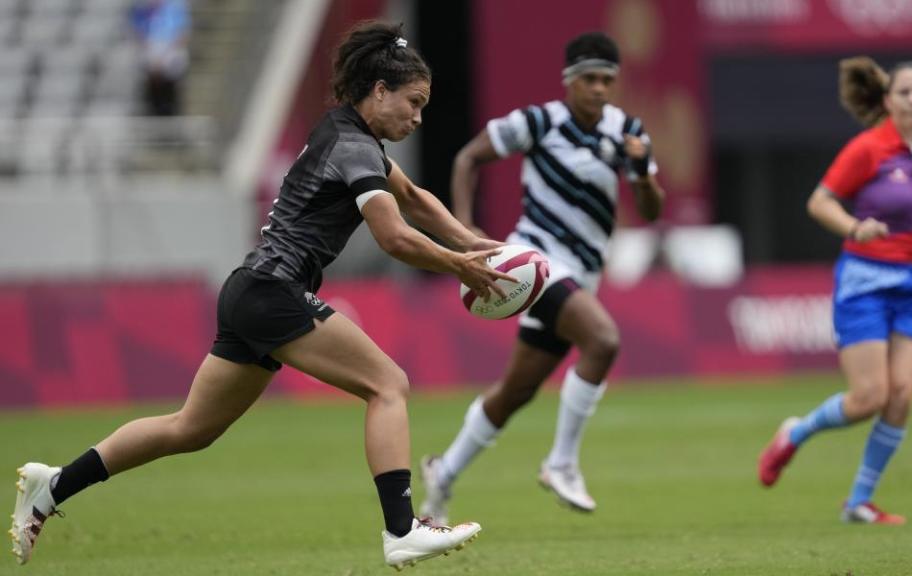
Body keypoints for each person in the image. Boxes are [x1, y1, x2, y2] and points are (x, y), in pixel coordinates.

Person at [10, 21, 511, 569]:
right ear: (379, 90)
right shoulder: (354, 147)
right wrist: (457, 265)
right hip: (274, 291)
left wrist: (472, 241)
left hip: (251, 292)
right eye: (412, 103)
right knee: (388, 384)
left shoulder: (348, 136)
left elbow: (413, 198)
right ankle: (401, 530)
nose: (418, 117)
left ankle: (54, 485)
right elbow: (393, 236)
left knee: (190, 428)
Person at [419, 32, 665, 524]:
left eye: (607, 80)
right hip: (539, 261)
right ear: (569, 81)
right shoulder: (539, 121)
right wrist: (466, 227)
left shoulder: (627, 130)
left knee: (516, 392)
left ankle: (442, 476)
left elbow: (651, 209)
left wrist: (640, 172)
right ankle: (562, 463)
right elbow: (469, 156)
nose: (598, 89)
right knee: (603, 340)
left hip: (585, 271)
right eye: (589, 79)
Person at [758, 57, 912, 524]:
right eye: (904, 92)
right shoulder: (868, 149)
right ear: (888, 100)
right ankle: (795, 433)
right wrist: (854, 226)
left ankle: (858, 502)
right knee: (869, 397)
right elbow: (819, 202)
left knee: (902, 395)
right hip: (865, 281)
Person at [129, 0, 190, 116]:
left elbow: (182, 35)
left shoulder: (175, 8)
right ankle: (153, 109)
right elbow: (138, 35)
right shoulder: (141, 11)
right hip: (151, 51)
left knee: (172, 70)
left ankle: (170, 109)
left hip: (170, 51)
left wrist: (164, 56)